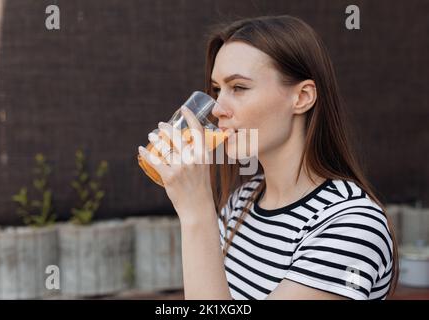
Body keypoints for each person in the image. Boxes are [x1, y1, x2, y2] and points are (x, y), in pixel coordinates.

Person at [138, 15, 398, 300]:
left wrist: (197, 214)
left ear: (302, 97)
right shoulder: (243, 201)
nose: (217, 108)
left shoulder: (352, 226)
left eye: (238, 87)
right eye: (216, 90)